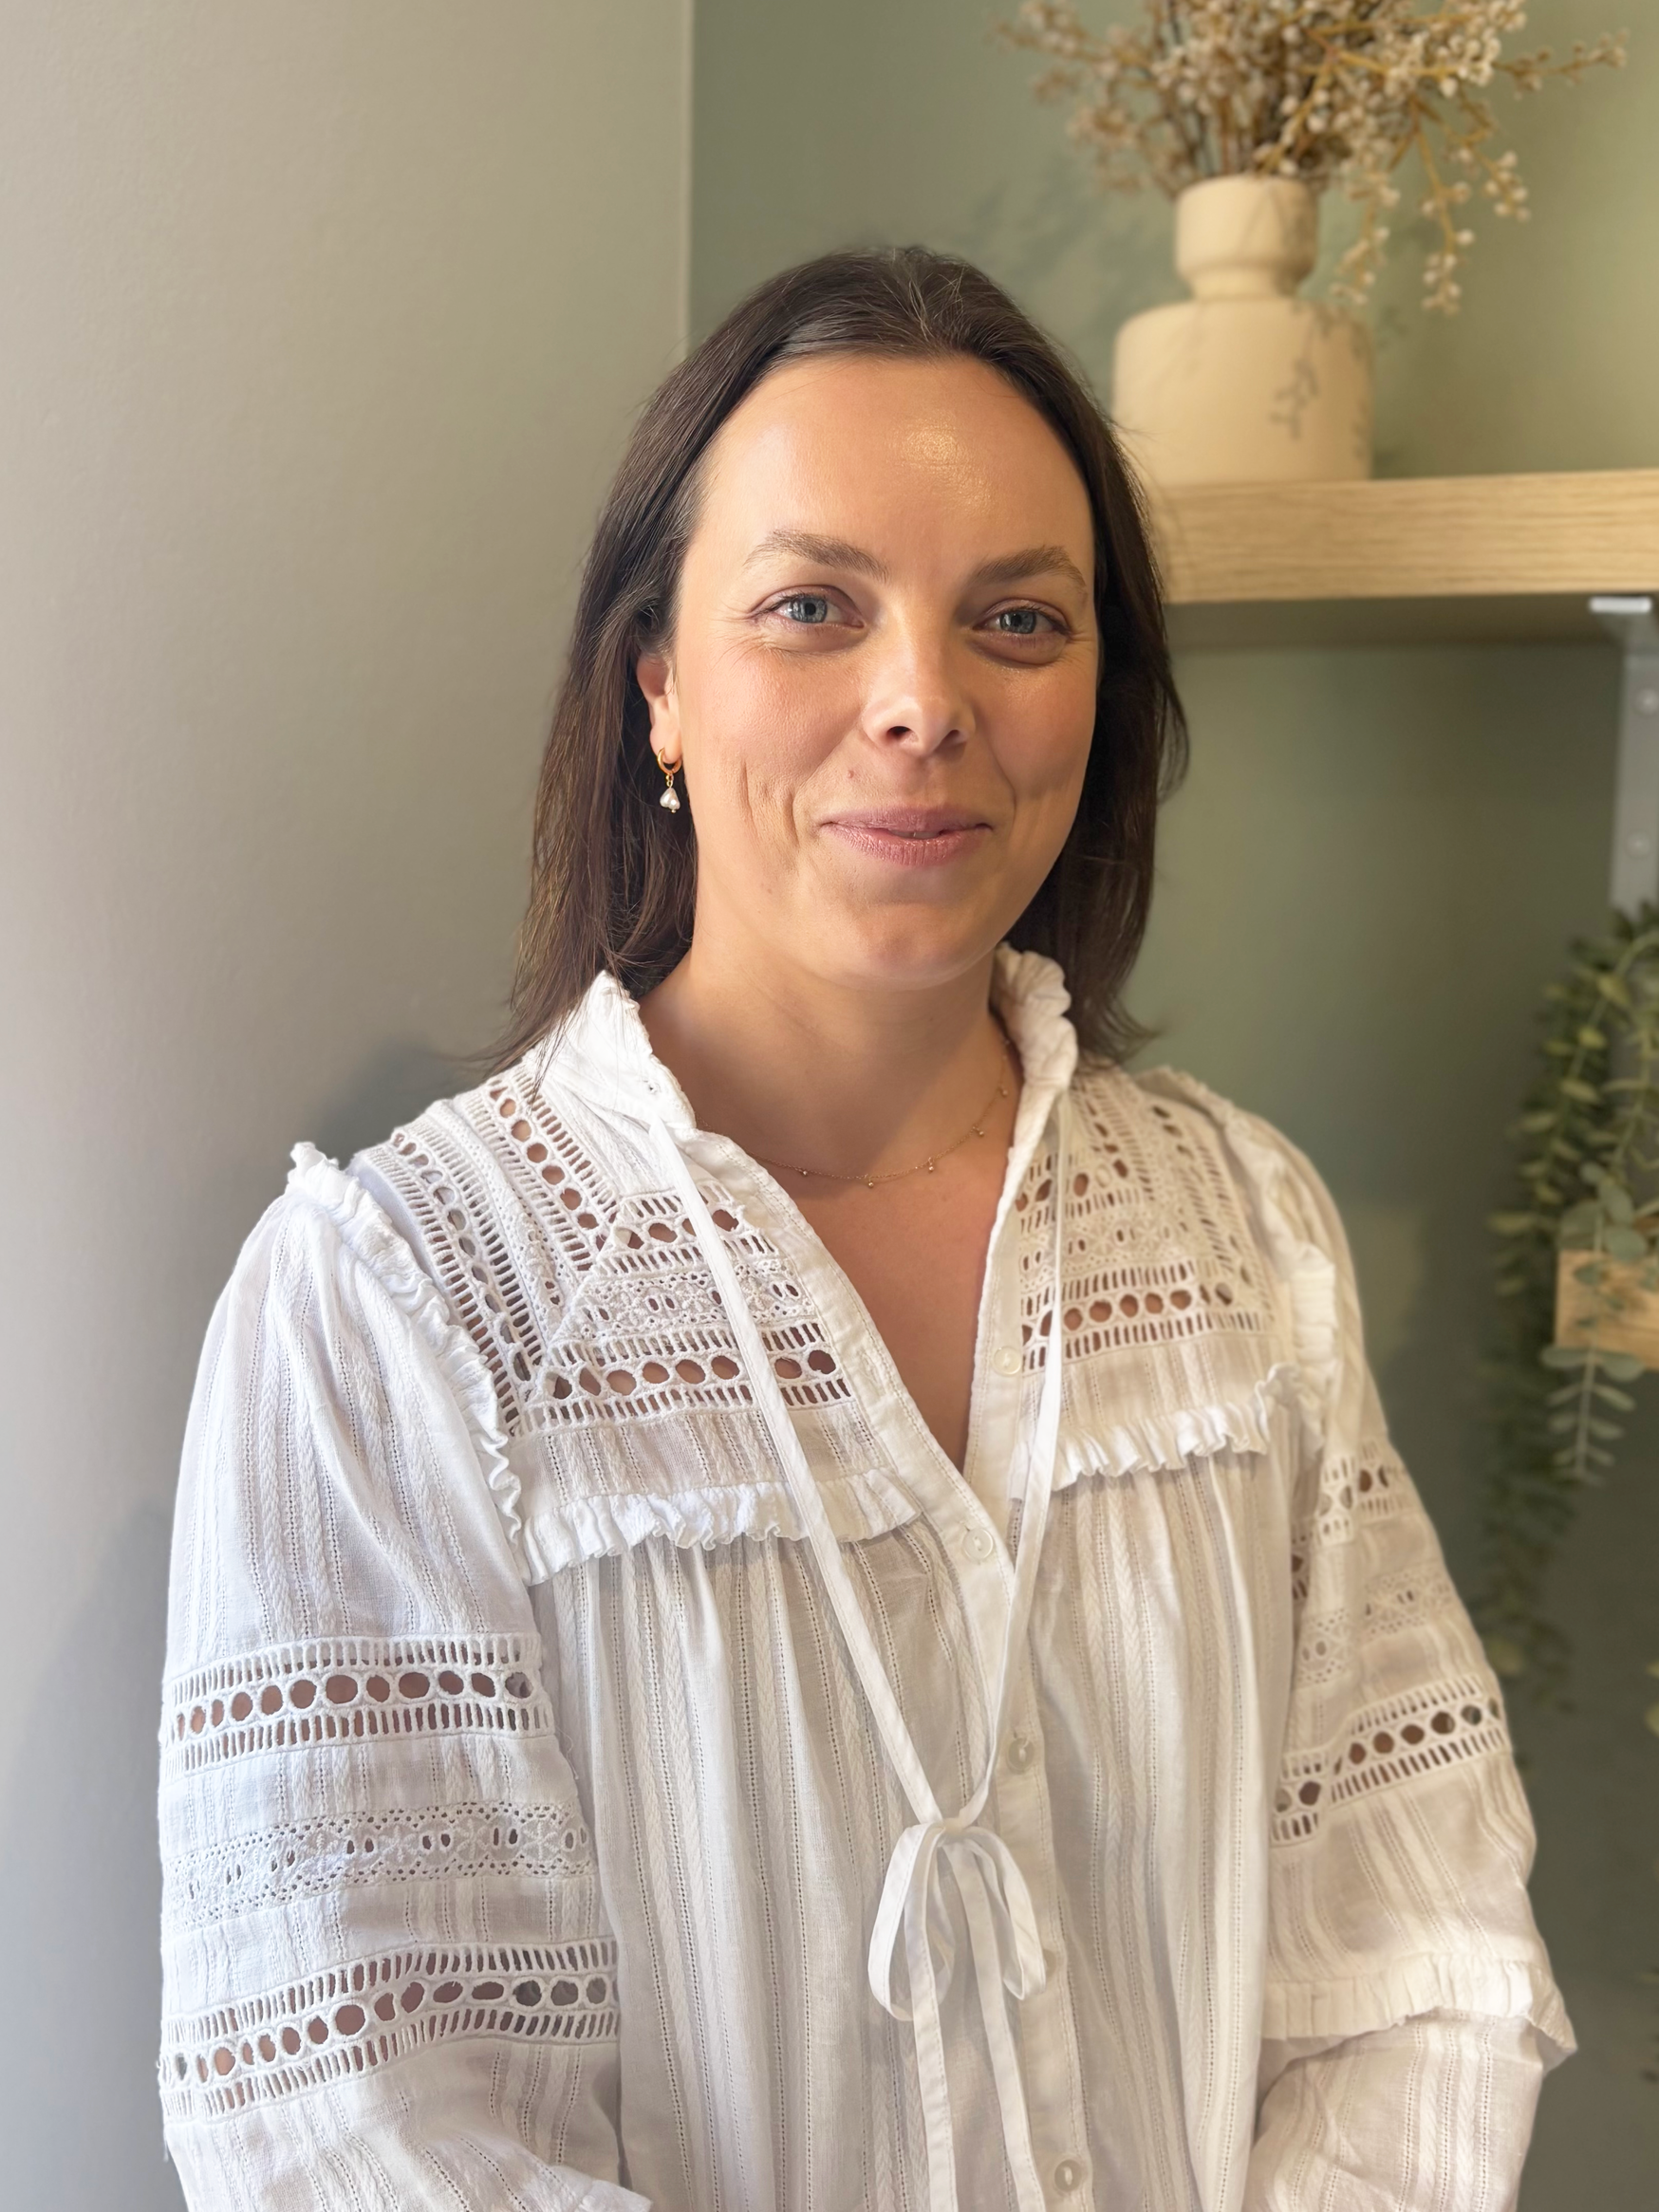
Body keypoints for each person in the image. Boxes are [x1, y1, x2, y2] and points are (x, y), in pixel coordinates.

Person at [158, 247, 1568, 2212]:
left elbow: (1416, 1956)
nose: (922, 702)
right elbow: (355, 2125)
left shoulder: (1244, 1235)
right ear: (656, 679)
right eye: (813, 605)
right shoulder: (403, 1304)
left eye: (1017, 616)